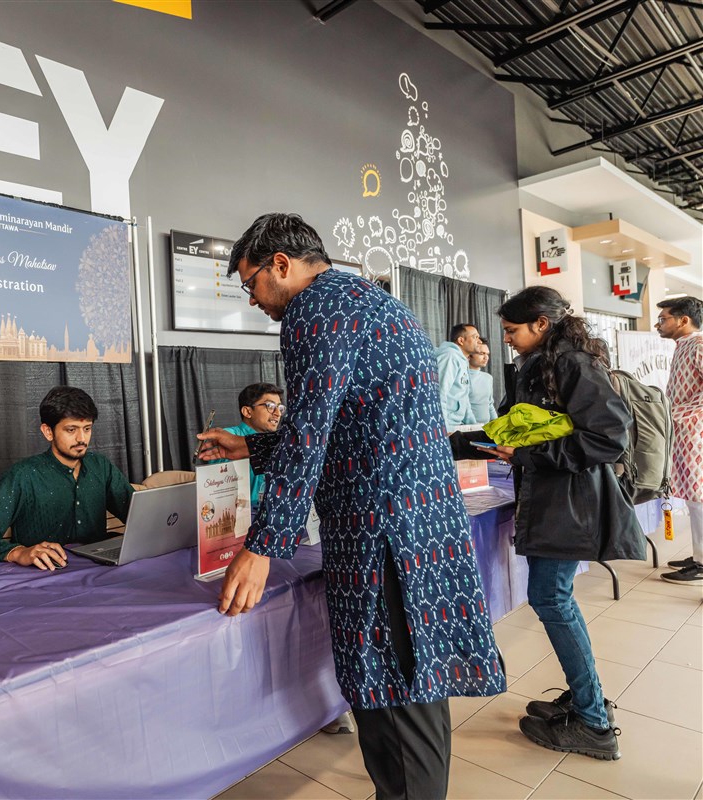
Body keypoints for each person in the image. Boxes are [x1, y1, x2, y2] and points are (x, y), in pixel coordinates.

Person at [196, 214, 504, 800]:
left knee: (395, 687)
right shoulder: (366, 298)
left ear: (280, 265)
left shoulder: (314, 310)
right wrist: (252, 446)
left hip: (380, 526)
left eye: (251, 284)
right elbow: (346, 422)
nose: (253, 300)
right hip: (415, 517)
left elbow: (310, 430)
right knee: (407, 680)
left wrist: (263, 546)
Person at [450, 286, 643, 760]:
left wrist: (531, 454)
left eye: (512, 330)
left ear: (541, 323)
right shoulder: (537, 366)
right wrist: (446, 442)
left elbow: (609, 437)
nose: (505, 339)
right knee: (553, 598)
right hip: (550, 500)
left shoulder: (574, 364)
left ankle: (594, 722)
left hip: (569, 504)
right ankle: (586, 700)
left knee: (551, 598)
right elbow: (505, 430)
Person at [0, 386, 134, 569]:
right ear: (48, 431)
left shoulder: (101, 467)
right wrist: (18, 552)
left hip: (101, 572)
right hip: (45, 575)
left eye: (87, 429)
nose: (82, 439)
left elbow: (137, 515)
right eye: (71, 430)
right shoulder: (24, 475)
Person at [655, 295, 703, 583]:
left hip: (696, 433)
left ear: (683, 320)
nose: (658, 324)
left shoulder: (699, 345)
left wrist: (681, 414)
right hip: (685, 433)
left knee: (700, 498)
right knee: (693, 499)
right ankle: (699, 555)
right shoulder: (684, 346)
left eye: (663, 319)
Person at [222, 382, 283, 510]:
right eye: (270, 406)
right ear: (247, 411)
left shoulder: (281, 441)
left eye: (280, 407)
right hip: (240, 514)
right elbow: (222, 484)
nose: (278, 413)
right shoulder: (228, 436)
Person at [435, 323, 482, 427]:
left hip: (456, 425)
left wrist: (474, 426)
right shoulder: (450, 356)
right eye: (475, 337)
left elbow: (463, 398)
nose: (479, 341)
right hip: (447, 426)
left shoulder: (462, 360)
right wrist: (443, 428)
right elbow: (439, 393)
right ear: (461, 340)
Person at [467, 340, 498, 424]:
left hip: (486, 427)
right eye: (481, 354)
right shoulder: (461, 376)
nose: (486, 357)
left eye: (487, 354)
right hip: (467, 427)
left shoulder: (488, 378)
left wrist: (497, 424)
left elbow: (490, 404)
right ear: (469, 355)